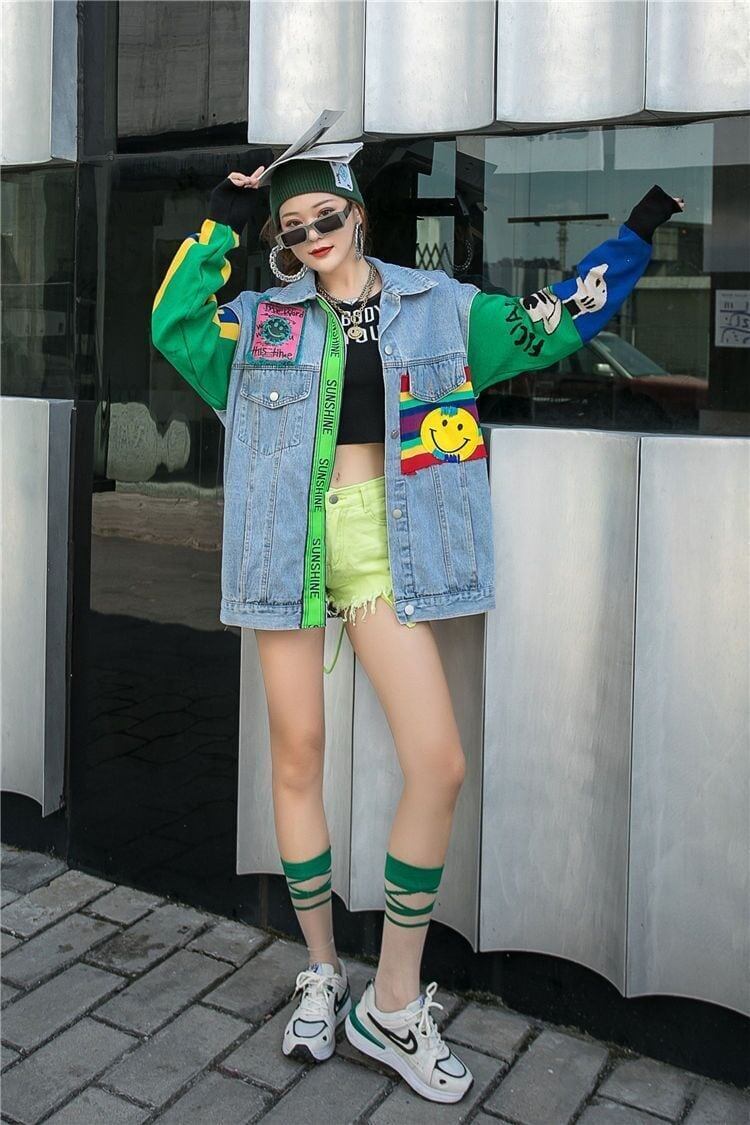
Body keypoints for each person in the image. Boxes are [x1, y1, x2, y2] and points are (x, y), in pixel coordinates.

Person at [152, 153, 684, 1104]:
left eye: (327, 218)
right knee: (296, 757)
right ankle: (322, 969)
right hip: (290, 550)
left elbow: (551, 323)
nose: (314, 238)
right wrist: (220, 221)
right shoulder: (261, 321)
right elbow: (173, 323)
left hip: (389, 553)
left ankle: (393, 999)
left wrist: (635, 235)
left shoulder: (441, 308)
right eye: (294, 229)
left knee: (438, 763)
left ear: (358, 214)